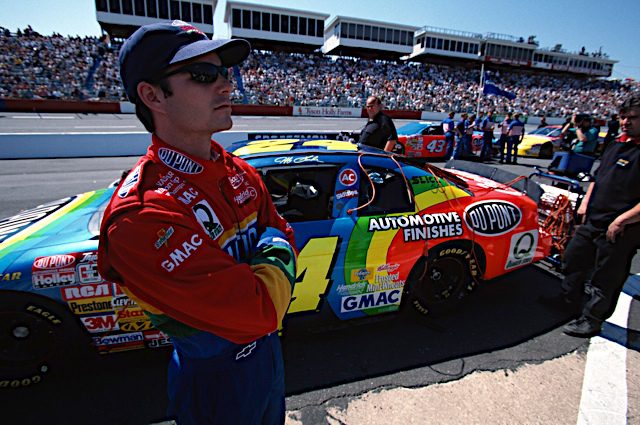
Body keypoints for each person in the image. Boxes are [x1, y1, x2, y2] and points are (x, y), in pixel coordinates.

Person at [97, 21, 297, 424]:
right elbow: (262, 310)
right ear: (152, 95)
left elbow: (284, 236)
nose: (227, 87)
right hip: (214, 383)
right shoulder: (140, 217)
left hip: (267, 362)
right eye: (204, 76)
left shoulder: (239, 169)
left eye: (224, 73)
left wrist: (268, 259)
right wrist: (271, 248)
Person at [544, 96, 640, 337]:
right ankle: (567, 300)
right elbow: (597, 178)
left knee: (606, 275)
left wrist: (622, 220)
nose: (626, 122)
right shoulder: (616, 144)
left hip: (622, 227)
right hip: (593, 218)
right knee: (573, 258)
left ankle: (592, 319)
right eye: (623, 117)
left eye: (633, 118)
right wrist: (585, 203)